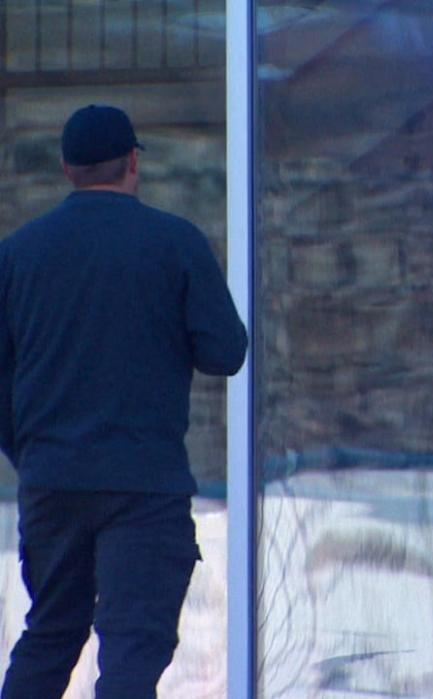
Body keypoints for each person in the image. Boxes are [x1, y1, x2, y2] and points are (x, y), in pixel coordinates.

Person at [0, 104, 248, 698]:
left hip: (53, 483)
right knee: (133, 651)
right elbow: (226, 353)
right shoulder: (175, 242)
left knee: (52, 633)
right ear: (133, 162)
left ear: (66, 169)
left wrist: (31, 454)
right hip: (144, 485)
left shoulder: (16, 255)